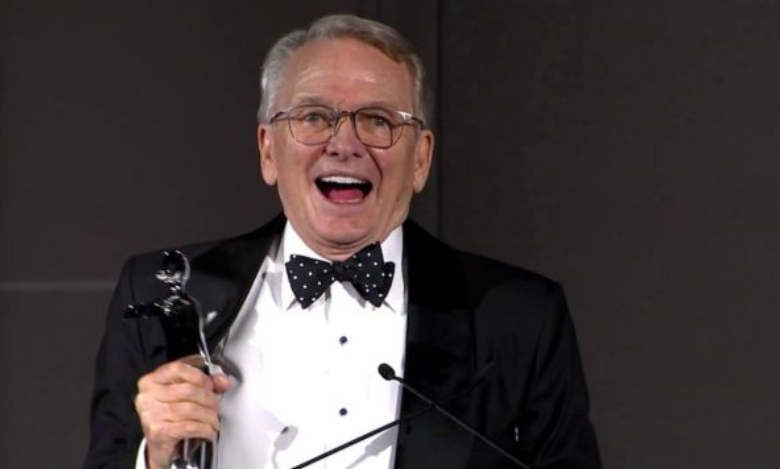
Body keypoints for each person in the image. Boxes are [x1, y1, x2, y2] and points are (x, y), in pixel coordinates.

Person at [83, 14, 601, 469]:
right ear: (268, 150)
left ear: (421, 159)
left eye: (378, 120)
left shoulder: (517, 316)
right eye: (314, 117)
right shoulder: (164, 290)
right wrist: (154, 460)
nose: (345, 143)